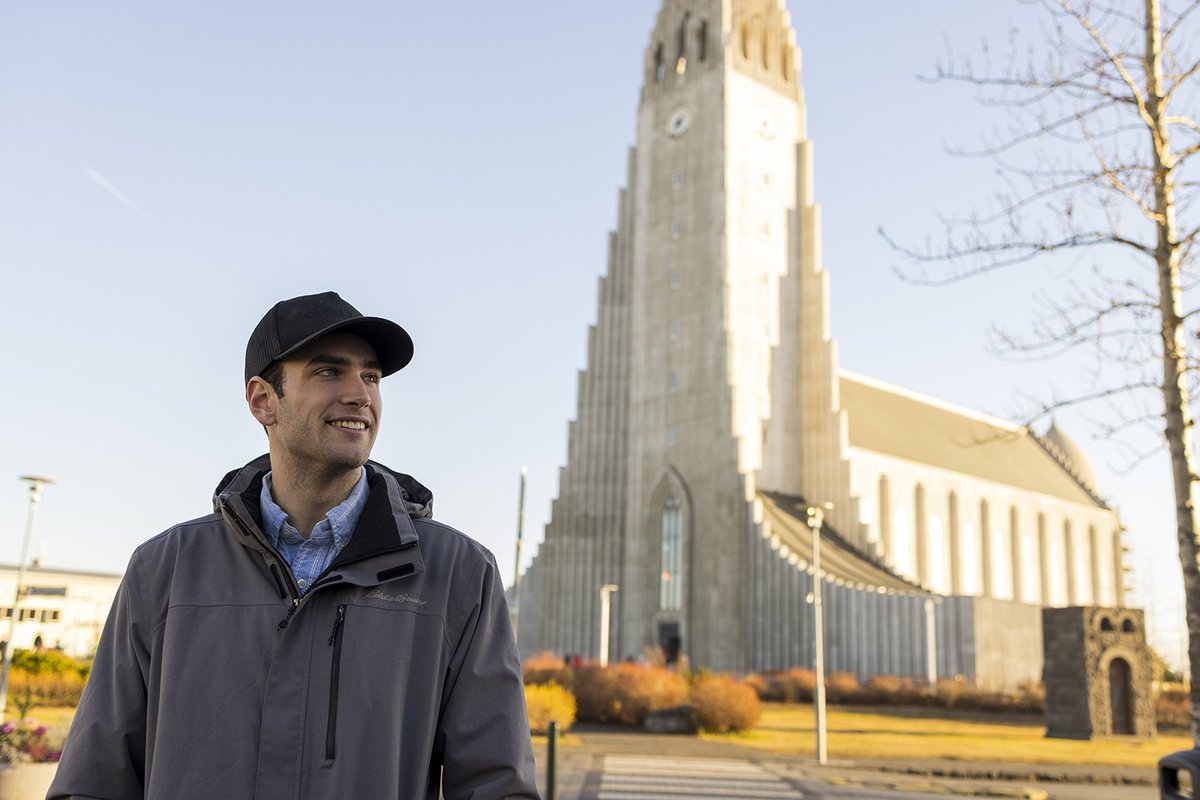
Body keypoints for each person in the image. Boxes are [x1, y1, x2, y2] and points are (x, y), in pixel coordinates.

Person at [49, 291, 539, 800]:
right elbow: (95, 779)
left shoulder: (457, 574)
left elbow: (497, 784)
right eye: (329, 372)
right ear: (263, 400)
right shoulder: (166, 569)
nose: (360, 394)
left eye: (370, 376)